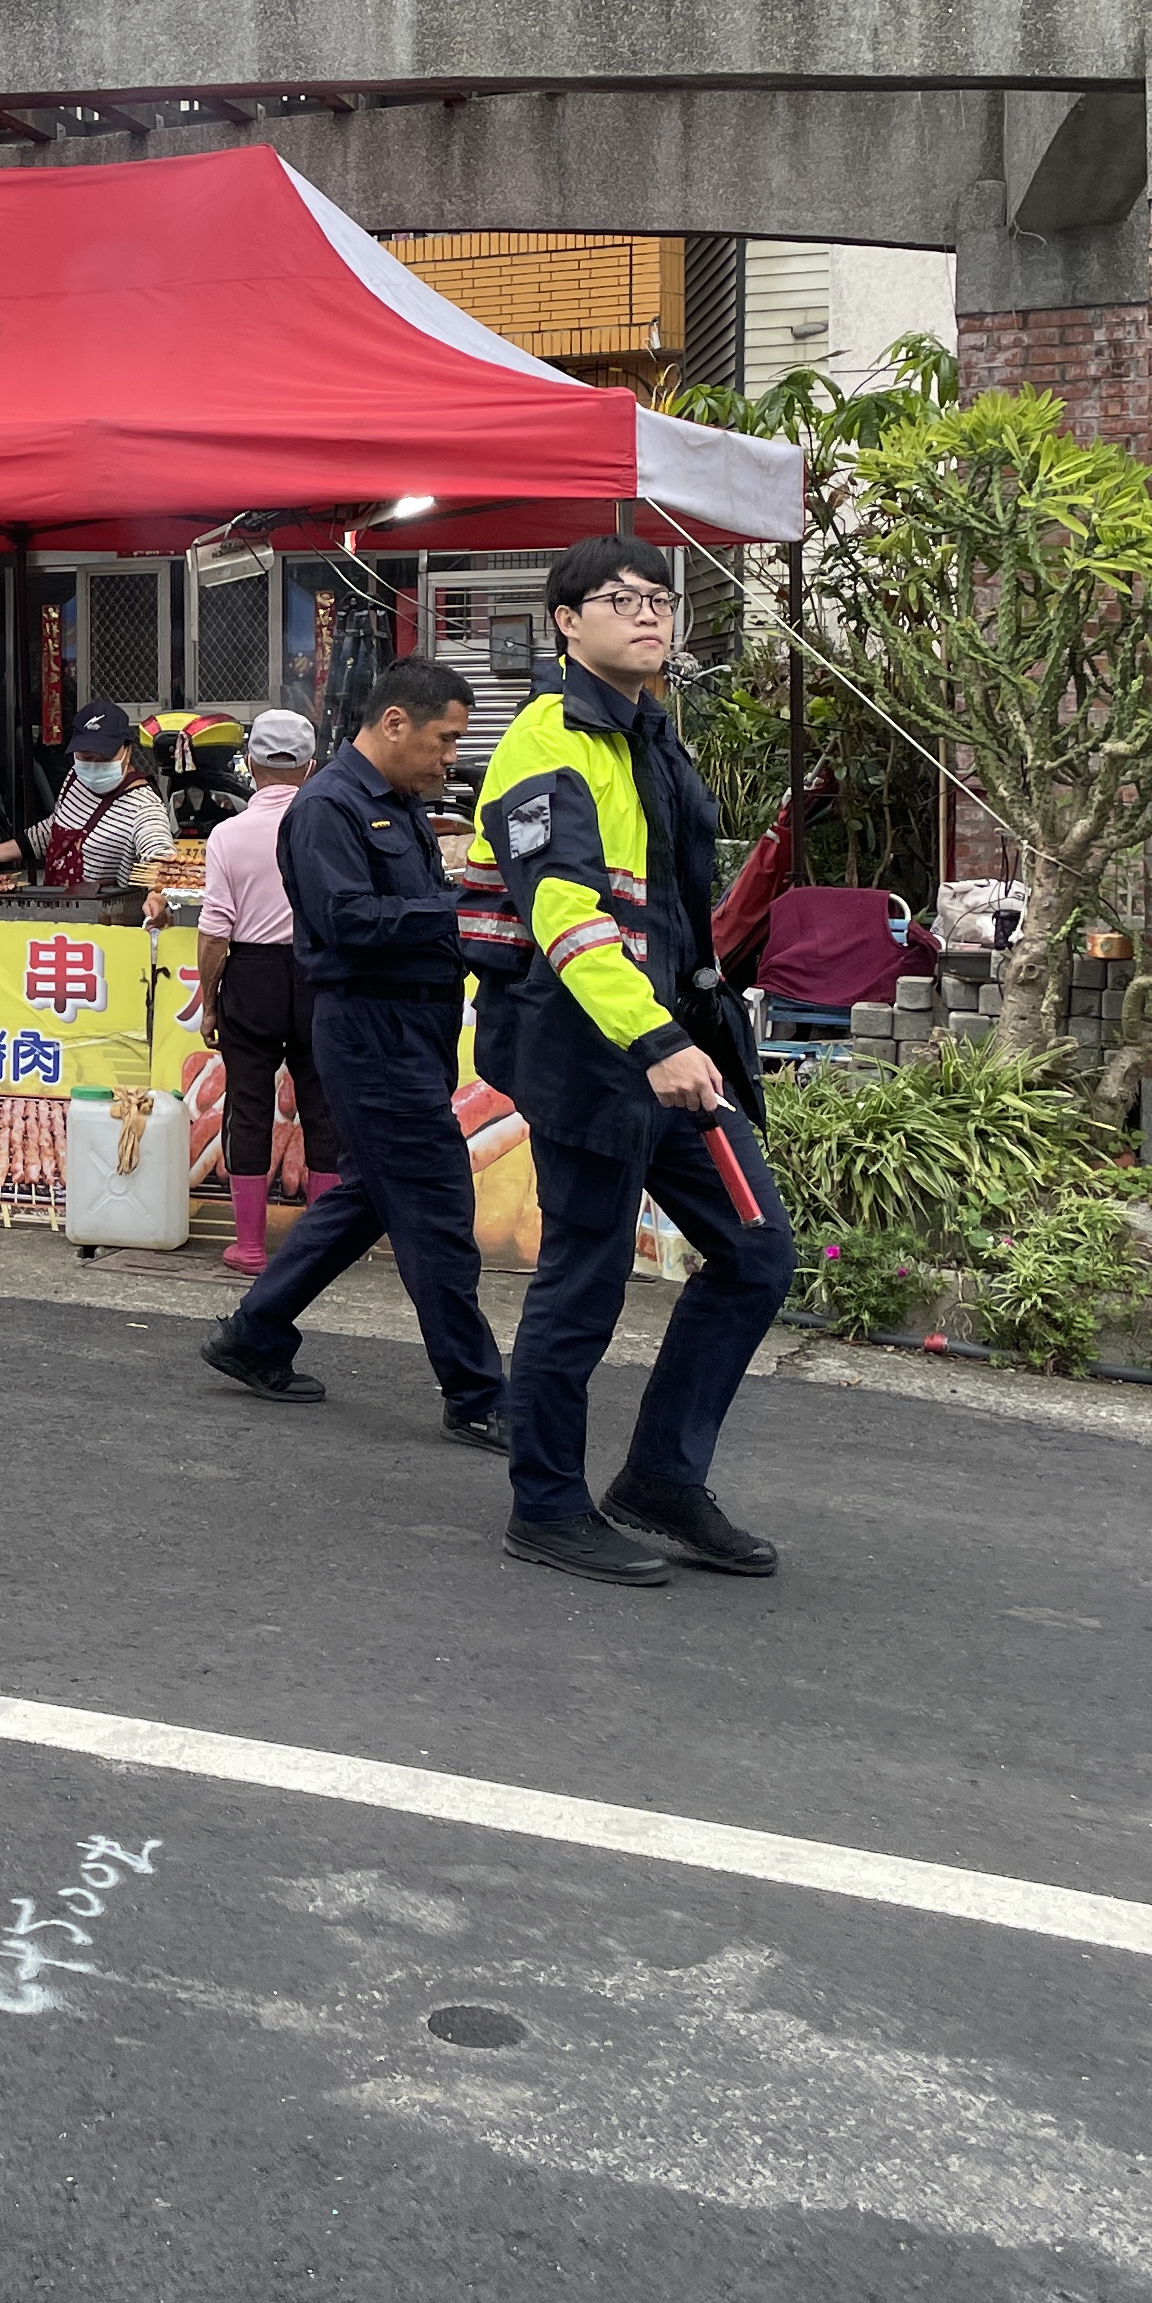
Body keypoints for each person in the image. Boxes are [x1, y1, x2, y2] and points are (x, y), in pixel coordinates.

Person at [476, 535, 798, 1588]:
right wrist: (653, 1040)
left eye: (661, 599)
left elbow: (669, 911)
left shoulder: (649, 732)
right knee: (585, 1280)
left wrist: (685, 1035)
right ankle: (546, 1507)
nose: (650, 615)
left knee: (758, 1254)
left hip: (673, 1050)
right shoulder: (549, 742)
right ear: (567, 621)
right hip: (589, 1052)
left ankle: (661, 1480)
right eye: (622, 600)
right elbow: (563, 911)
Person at [196, 656, 511, 1434]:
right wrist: (459, 914)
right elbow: (348, 922)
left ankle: (254, 1333)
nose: (450, 759)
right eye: (445, 740)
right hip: (370, 1029)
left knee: (369, 1196)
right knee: (437, 1207)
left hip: (414, 1028)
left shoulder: (398, 802)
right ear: (395, 722)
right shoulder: (328, 808)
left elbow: (414, 904)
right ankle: (478, 1395)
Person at [193, 708, 346, 1273]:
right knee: (323, 1107)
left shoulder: (228, 835)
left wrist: (210, 1004)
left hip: (251, 976)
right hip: (319, 973)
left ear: (250, 764)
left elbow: (215, 931)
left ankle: (251, 1246)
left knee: (248, 1106)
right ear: (311, 767)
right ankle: (322, 1250)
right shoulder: (332, 828)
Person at [0, 700, 177, 899]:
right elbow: (55, 828)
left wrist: (157, 895)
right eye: (85, 757)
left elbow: (160, 857)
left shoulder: (143, 805)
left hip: (106, 925)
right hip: (58, 909)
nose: (93, 765)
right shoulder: (77, 778)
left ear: (127, 751)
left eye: (104, 758)